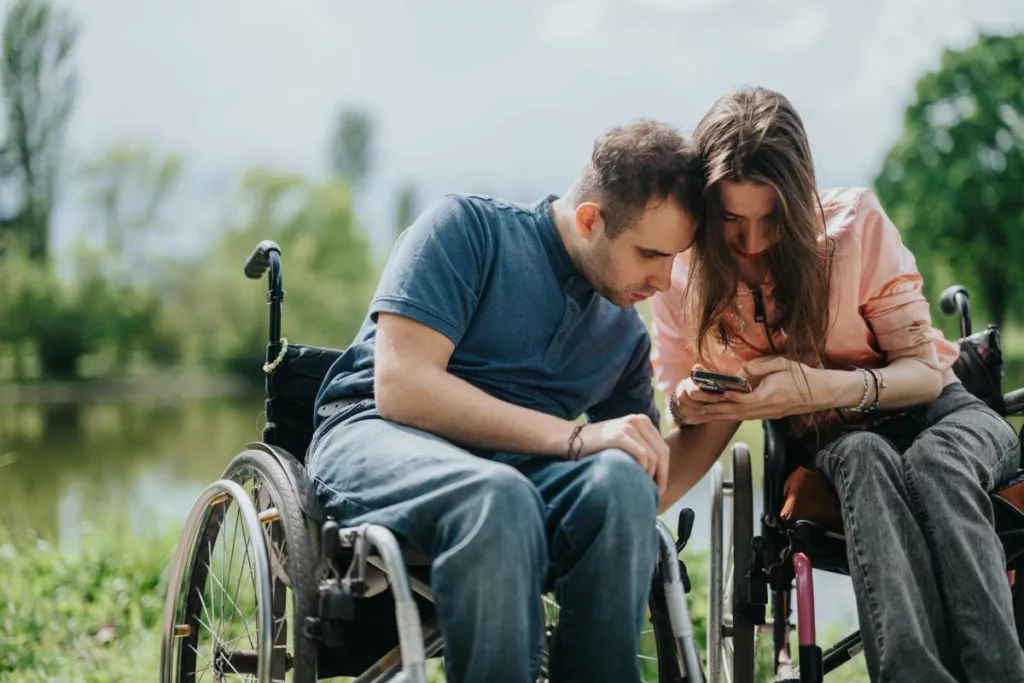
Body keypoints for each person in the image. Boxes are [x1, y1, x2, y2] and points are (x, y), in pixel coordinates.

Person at [305, 119, 703, 683]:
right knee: (498, 496)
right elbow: (402, 387)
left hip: (513, 473)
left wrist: (726, 409)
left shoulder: (624, 338)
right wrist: (574, 436)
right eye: (648, 254)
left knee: (621, 485)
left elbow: (645, 474)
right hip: (377, 434)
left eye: (673, 259)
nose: (662, 281)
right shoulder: (466, 229)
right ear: (589, 220)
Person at [650, 86, 1024, 682]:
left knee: (933, 461)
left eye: (772, 218)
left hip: (946, 412)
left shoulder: (854, 228)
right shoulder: (682, 277)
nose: (752, 243)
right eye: (730, 219)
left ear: (799, 200)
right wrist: (687, 406)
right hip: (839, 444)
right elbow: (687, 411)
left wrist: (817, 389)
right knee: (862, 453)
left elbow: (924, 375)